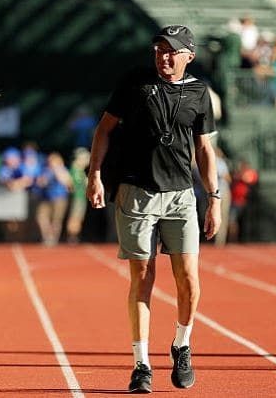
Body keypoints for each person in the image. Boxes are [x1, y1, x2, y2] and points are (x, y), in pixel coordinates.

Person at [87, 25, 221, 393]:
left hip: (181, 195)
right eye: (159, 49)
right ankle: (141, 364)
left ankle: (182, 344)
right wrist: (95, 175)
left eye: (172, 51)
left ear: (189, 56)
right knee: (142, 277)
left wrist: (214, 199)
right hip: (137, 192)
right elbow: (103, 130)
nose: (164, 56)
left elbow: (204, 149)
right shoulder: (135, 82)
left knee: (188, 279)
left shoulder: (199, 92)